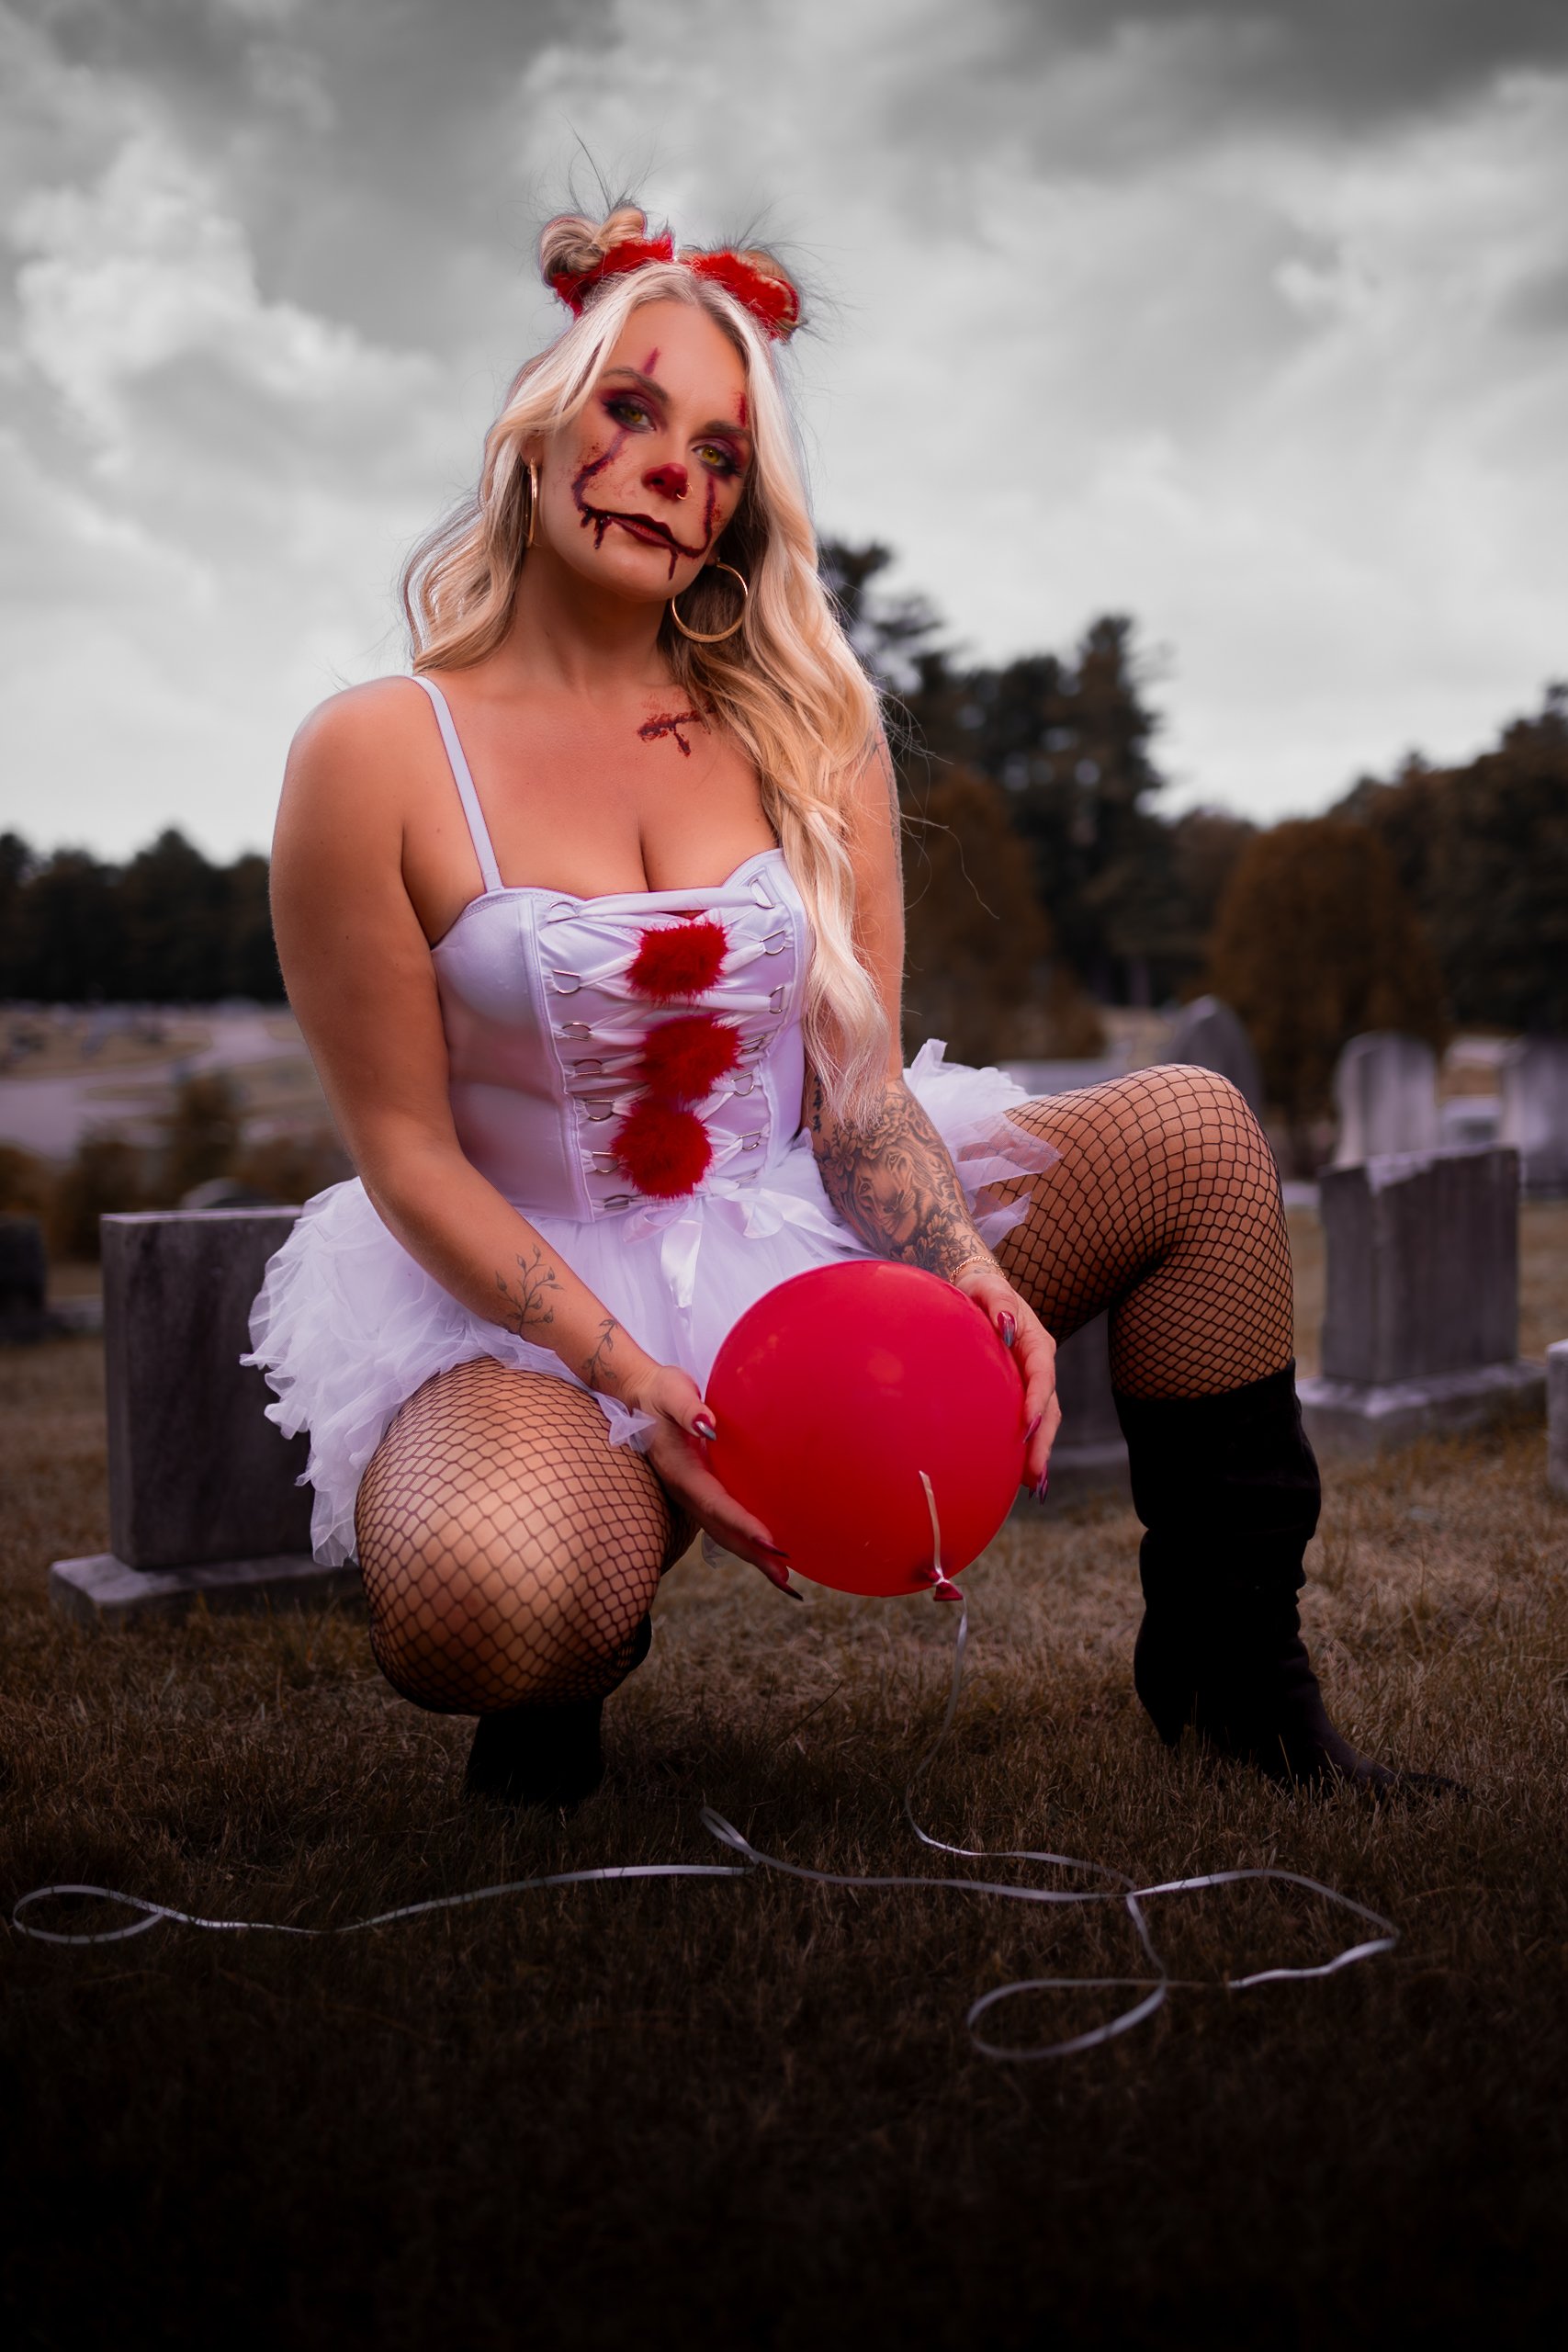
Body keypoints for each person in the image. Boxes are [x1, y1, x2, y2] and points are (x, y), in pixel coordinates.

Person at [250, 204, 1429, 1809]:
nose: (678, 468)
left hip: (796, 1229)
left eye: (725, 452)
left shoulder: (808, 731)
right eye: (634, 409)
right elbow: (406, 1153)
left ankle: (1235, 1678)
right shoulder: (373, 752)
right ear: (541, 421)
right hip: (529, 1296)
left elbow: (857, 1103)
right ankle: (571, 1657)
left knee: (1201, 1140)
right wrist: (626, 1373)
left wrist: (968, 1274)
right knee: (490, 1607)